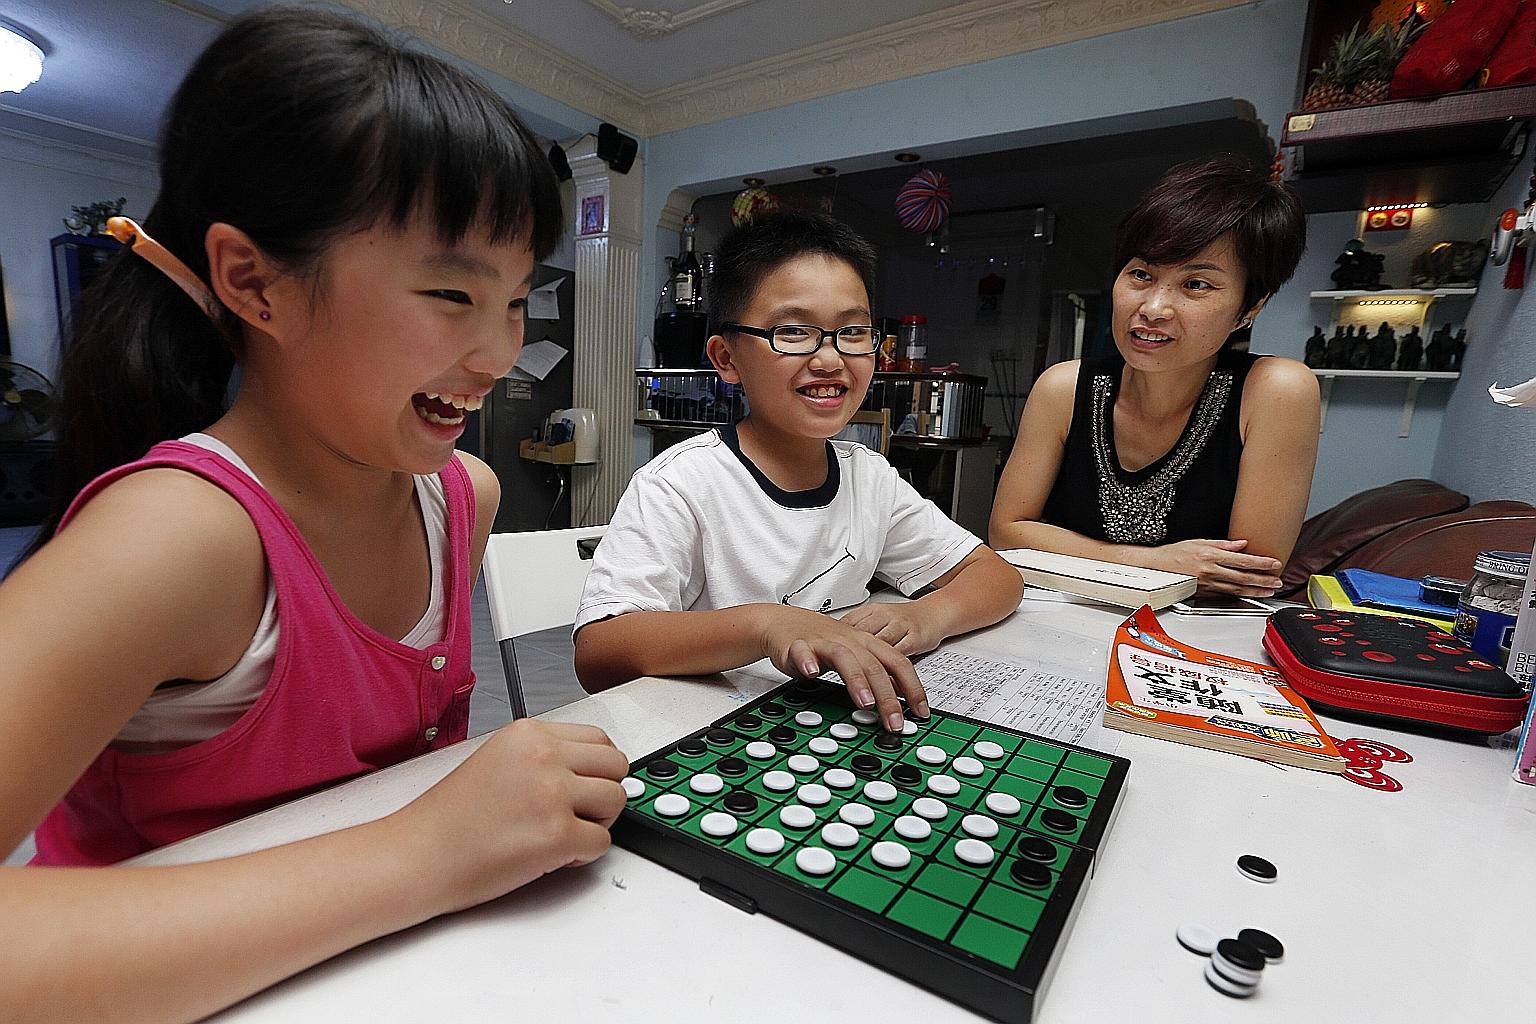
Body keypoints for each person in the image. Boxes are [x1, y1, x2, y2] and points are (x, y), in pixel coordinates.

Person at [0, 10, 627, 1021]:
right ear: (256, 283)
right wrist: (423, 852)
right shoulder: (177, 538)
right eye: (449, 294)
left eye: (515, 300)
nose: (499, 354)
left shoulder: (464, 496)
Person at [573, 212, 1024, 729]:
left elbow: (997, 578)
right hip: (706, 733)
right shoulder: (682, 484)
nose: (830, 358)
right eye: (793, 331)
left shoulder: (868, 479)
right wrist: (768, 625)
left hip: (830, 725)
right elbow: (599, 651)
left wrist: (928, 616)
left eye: (853, 332)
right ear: (727, 358)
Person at [989, 156, 1318, 597]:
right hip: (1055, 618)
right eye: (1141, 274)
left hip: (1189, 641)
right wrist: (1155, 562)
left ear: (1250, 308)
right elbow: (1007, 533)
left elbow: (1243, 574)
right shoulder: (1063, 389)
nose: (1153, 308)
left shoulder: (1275, 391)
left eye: (1196, 285)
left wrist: (1066, 548)